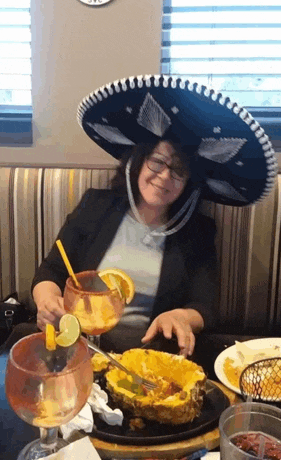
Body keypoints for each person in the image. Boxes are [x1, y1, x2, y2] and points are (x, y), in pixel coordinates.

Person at [31, 74, 277, 359]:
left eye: (179, 171)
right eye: (157, 161)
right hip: (80, 353)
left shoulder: (198, 231)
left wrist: (182, 317)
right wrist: (47, 300)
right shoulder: (95, 206)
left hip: (153, 363)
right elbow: (50, 272)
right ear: (137, 160)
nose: (164, 176)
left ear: (189, 182)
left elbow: (205, 306)